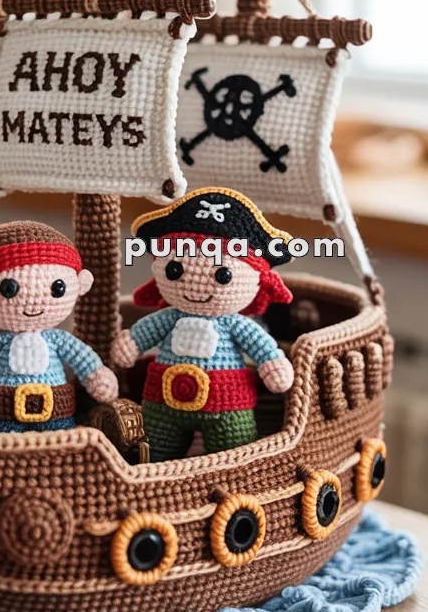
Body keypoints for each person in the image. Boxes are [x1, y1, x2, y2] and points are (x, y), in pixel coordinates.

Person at [111, 187, 295, 461]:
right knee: (156, 452)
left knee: (232, 452)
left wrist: (272, 362)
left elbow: (261, 347)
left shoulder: (236, 325)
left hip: (227, 401)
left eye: (222, 275)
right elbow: (142, 334)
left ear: (256, 280)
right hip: (163, 401)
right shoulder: (169, 318)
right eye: (175, 270)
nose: (197, 287)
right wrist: (131, 343)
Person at [0, 220, 117, 431]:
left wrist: (97, 376)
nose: (33, 301)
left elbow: (83, 359)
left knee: (58, 444)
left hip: (55, 411)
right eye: (9, 288)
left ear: (79, 285)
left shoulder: (58, 340)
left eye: (57, 288)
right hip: (0, 410)